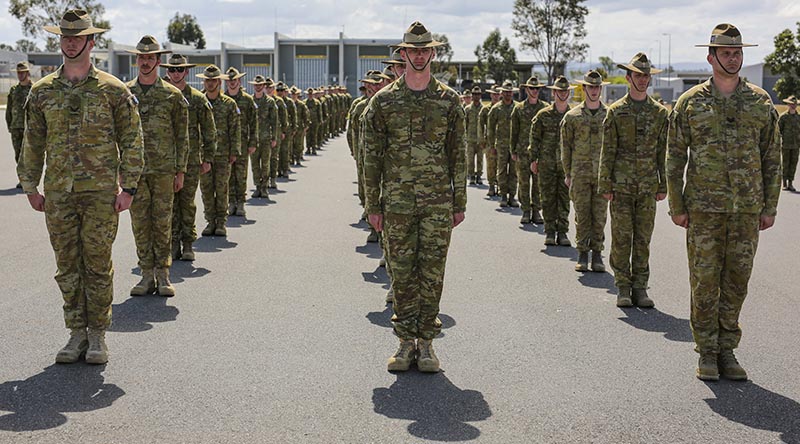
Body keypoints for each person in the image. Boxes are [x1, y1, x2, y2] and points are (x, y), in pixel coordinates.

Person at [18, 9, 144, 364]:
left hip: (101, 193)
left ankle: (98, 335)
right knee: (67, 266)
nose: (70, 42)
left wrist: (129, 187)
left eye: (77, 37)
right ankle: (75, 333)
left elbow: (132, 139)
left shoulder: (113, 90)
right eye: (65, 36)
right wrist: (30, 185)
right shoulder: (42, 92)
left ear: (91, 41)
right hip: (58, 194)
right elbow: (32, 141)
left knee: (97, 264)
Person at [667, 24, 781, 381]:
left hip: (747, 209)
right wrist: (677, 204)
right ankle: (706, 350)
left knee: (736, 281)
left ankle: (727, 349)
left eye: (737, 53)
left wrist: (770, 206)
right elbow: (673, 156)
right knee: (704, 281)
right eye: (726, 53)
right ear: (711, 57)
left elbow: (772, 157)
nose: (733, 58)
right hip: (703, 209)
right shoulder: (690, 102)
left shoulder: (760, 101)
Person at [362, 22, 465, 373]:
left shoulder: (449, 101)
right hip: (397, 204)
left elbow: (458, 155)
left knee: (432, 273)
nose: (419, 55)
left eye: (425, 50)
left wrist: (459, 202)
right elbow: (370, 157)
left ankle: (428, 345)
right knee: (403, 275)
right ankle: (405, 343)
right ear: (402, 54)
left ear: (433, 53)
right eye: (412, 50)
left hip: (437, 204)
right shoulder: (383, 102)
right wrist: (372, 206)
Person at [598, 53, 668, 308]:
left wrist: (664, 184)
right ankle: (622, 287)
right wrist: (605, 184)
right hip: (621, 186)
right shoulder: (616, 112)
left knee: (643, 238)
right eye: (638, 75)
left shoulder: (659, 113)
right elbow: (608, 150)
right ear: (628, 78)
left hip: (648, 185)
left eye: (646, 75)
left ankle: (640, 287)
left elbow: (663, 151)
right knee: (621, 236)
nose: (642, 79)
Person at [125, 36, 188, 297]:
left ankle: (163, 275)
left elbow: (182, 135)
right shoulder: (125, 93)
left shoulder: (172, 95)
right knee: (140, 223)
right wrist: (121, 170)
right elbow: (118, 133)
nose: (145, 62)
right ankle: (146, 275)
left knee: (162, 223)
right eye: (142, 57)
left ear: (158, 61)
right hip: (135, 171)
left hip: (163, 171)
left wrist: (180, 170)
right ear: (136, 60)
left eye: (150, 58)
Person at [163, 54, 217, 262]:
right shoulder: (163, 96)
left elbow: (209, 131)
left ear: (186, 72)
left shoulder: (196, 98)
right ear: (167, 72)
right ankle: (172, 243)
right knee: (168, 205)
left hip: (191, 161)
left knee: (186, 203)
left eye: (180, 70)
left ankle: (187, 244)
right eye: (172, 70)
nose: (176, 73)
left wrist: (208, 158)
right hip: (165, 161)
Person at [561, 70, 609, 271]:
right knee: (582, 215)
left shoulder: (609, 115)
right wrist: (568, 174)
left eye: (597, 87)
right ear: (584, 88)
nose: (595, 90)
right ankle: (582, 253)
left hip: (601, 174)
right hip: (579, 174)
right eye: (591, 87)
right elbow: (566, 147)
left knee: (599, 216)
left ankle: (597, 254)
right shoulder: (572, 117)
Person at [196, 65, 241, 237]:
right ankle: (210, 221)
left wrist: (234, 151)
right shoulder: (200, 101)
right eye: (207, 80)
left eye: (214, 80)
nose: (210, 83)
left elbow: (235, 129)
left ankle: (221, 222)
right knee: (207, 189)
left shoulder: (229, 104)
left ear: (219, 82)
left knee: (222, 188)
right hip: (204, 154)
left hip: (223, 153)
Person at [530, 76, 573, 246]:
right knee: (547, 198)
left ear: (568, 93)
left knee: (564, 198)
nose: (562, 94)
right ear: (554, 92)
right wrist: (533, 159)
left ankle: (562, 232)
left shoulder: (573, 116)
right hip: (546, 163)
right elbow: (535, 138)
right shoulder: (543, 115)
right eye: (559, 91)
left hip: (565, 165)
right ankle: (549, 231)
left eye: (565, 91)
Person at [511, 76, 547, 225]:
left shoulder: (544, 108)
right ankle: (526, 210)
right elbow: (514, 131)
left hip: (539, 153)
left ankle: (536, 210)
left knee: (538, 183)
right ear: (526, 90)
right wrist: (513, 150)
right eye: (532, 88)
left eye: (537, 88)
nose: (534, 91)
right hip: (523, 152)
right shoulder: (519, 109)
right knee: (524, 182)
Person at [225, 67, 257, 218]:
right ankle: (231, 202)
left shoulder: (247, 100)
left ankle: (241, 203)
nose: (232, 82)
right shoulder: (222, 99)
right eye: (230, 80)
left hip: (243, 144)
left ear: (239, 81)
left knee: (241, 174)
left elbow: (253, 122)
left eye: (235, 80)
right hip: (226, 145)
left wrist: (253, 142)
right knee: (228, 175)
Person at [487, 80, 519, 207]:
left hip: (514, 145)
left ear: (513, 93)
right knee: (501, 171)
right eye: (505, 92)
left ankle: (512, 196)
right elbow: (490, 128)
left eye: (510, 92)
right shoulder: (496, 109)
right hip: (500, 145)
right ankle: (503, 196)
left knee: (513, 171)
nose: (508, 94)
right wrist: (491, 145)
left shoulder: (517, 108)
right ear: (501, 93)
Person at [248, 75, 278, 198]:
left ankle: (264, 187)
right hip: (253, 140)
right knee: (255, 165)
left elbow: (274, 121)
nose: (258, 87)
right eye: (256, 85)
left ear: (264, 86)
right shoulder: (250, 101)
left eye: (260, 85)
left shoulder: (270, 102)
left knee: (265, 164)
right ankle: (257, 187)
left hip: (266, 139)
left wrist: (274, 138)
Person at [6, 61, 32, 188]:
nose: (20, 75)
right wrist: (9, 124)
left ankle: (30, 179)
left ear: (28, 73)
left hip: (30, 128)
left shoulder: (34, 89)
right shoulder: (14, 90)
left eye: (22, 73)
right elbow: (9, 109)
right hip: (16, 127)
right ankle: (23, 180)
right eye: (18, 73)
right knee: (18, 155)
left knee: (29, 155)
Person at [480, 88, 501, 196]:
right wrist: (482, 139)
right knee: (491, 164)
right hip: (490, 141)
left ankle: (501, 187)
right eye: (494, 94)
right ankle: (492, 185)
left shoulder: (504, 107)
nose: (496, 96)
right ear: (491, 95)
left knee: (501, 166)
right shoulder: (485, 109)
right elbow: (481, 125)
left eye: (497, 94)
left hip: (502, 141)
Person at [779, 96, 799, 191]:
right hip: (786, 144)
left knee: (793, 164)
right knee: (785, 163)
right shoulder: (783, 117)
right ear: (788, 104)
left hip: (796, 145)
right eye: (791, 104)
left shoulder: (798, 118)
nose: (793, 106)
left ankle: (790, 183)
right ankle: (784, 183)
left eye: (794, 104)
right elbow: (778, 130)